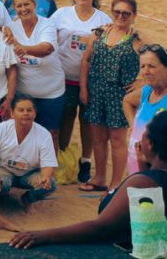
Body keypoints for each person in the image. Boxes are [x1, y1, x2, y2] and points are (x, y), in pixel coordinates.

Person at [10, 107, 167, 250]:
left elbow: (101, 228)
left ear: (151, 144)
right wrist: (144, 162)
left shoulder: (142, 182)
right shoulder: (150, 179)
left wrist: (42, 236)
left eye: (144, 134)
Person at [50, 0, 111, 183]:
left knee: (87, 120)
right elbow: (48, 37)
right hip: (65, 76)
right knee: (66, 117)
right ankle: (66, 158)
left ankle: (85, 160)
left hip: (91, 79)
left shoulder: (103, 19)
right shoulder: (61, 14)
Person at [80, 0, 142, 191]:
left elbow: (158, 61)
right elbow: (86, 60)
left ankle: (115, 183)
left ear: (134, 15)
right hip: (96, 92)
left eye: (126, 13)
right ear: (112, 12)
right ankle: (99, 178)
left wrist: (142, 80)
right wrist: (83, 88)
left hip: (119, 96)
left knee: (117, 139)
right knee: (98, 138)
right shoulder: (99, 33)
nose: (121, 16)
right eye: (117, 12)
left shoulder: (136, 39)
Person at [0, 94, 58, 212]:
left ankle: (27, 200)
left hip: (30, 173)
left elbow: (48, 165)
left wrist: (45, 177)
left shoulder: (44, 134)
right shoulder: (1, 129)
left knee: (50, 184)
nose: (25, 113)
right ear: (12, 113)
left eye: (29, 110)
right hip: (4, 170)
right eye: (21, 110)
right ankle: (1, 198)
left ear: (35, 114)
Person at [4, 0, 64, 132]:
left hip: (51, 92)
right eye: (19, 6)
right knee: (23, 131)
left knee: (52, 134)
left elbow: (47, 49)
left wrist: (25, 49)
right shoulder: (11, 28)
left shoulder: (47, 24)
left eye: (27, 4)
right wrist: (3, 28)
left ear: (34, 4)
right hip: (24, 94)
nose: (23, 9)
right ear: (14, 8)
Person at [125, 44, 167, 175]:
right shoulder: (148, 90)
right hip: (137, 164)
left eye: (151, 66)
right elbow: (127, 101)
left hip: (158, 171)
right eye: (142, 66)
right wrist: (133, 125)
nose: (145, 71)